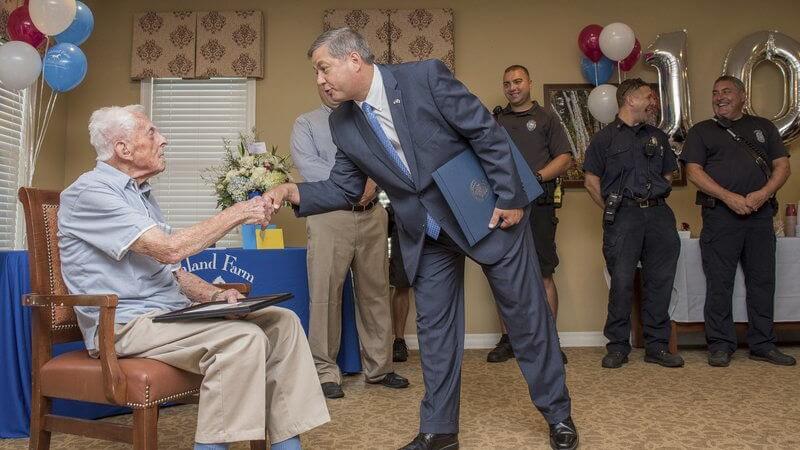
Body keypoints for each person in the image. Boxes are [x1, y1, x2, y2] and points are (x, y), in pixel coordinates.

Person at [264, 28, 577, 450]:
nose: (319, 80)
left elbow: (485, 131)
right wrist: (291, 191)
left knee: (525, 319)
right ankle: (439, 430)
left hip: (487, 213)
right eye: (316, 72)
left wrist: (510, 196)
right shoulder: (343, 123)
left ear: (354, 59)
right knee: (434, 331)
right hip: (427, 235)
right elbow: (344, 188)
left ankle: (558, 414)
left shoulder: (424, 78)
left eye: (324, 68)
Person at [58, 105, 330, 450]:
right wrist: (240, 211)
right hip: (124, 324)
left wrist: (216, 298)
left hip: (165, 316)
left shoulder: (138, 194)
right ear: (123, 149)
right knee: (242, 339)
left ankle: (286, 446)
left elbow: (170, 271)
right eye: (152, 133)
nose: (164, 140)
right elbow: (170, 250)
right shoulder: (91, 193)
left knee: (283, 322)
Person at [291, 86, 409, 399]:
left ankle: (379, 368)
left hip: (372, 215)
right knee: (325, 295)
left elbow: (388, 158)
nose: (327, 85)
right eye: (320, 79)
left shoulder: (369, 120)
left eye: (331, 77)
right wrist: (358, 182)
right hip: (329, 217)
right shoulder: (306, 123)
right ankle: (326, 372)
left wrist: (373, 181)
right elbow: (309, 167)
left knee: (376, 293)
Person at [680, 75, 795, 367]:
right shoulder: (702, 131)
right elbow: (693, 171)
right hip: (720, 217)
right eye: (716, 92)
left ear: (743, 96)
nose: (720, 97)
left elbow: (782, 167)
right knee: (719, 284)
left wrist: (762, 194)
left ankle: (763, 344)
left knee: (762, 282)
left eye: (727, 91)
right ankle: (720, 344)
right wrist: (728, 197)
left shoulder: (764, 128)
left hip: (760, 217)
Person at [583, 78, 685, 370]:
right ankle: (617, 346)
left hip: (658, 216)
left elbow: (667, 176)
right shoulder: (604, 139)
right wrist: (617, 210)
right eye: (647, 97)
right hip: (623, 217)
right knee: (622, 284)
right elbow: (591, 183)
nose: (653, 102)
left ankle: (657, 346)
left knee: (660, 282)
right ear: (630, 99)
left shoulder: (658, 136)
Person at [489, 65, 572, 364]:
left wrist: (533, 178)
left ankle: (550, 340)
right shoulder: (494, 120)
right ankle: (508, 339)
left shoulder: (546, 119)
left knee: (543, 273)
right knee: (503, 274)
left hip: (538, 205)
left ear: (529, 83)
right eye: (507, 82)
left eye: (518, 81)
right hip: (502, 205)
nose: (512, 87)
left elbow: (564, 158)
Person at [386, 200, 413, 362]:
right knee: (401, 285)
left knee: (437, 285)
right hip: (400, 223)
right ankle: (399, 340)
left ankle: (439, 339)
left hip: (432, 220)